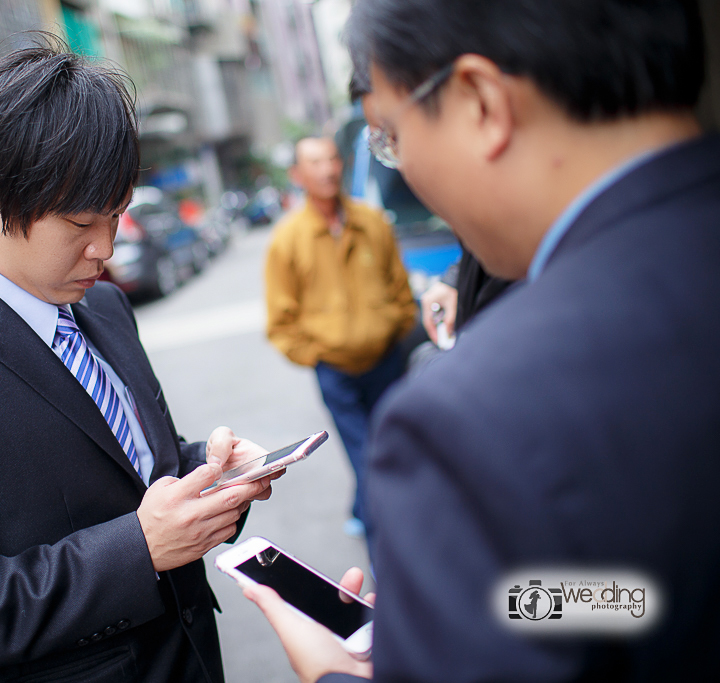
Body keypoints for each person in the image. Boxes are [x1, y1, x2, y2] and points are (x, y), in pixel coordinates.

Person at [245, 0, 720, 680]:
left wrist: (336, 674)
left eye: (389, 135)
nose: (402, 168)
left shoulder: (468, 415)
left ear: (479, 102)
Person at [0, 39, 274, 683]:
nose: (106, 248)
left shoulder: (105, 310)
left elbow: (138, 469)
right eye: (79, 223)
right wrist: (138, 551)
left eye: (117, 216)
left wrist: (212, 471)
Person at [264, 137, 417, 536]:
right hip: (336, 371)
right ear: (297, 176)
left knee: (399, 445)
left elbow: (400, 289)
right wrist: (319, 354)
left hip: (387, 360)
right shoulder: (288, 238)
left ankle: (364, 510)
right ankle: (389, 539)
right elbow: (281, 322)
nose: (328, 169)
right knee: (367, 454)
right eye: (315, 163)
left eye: (332, 159)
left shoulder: (371, 221)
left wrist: (393, 326)